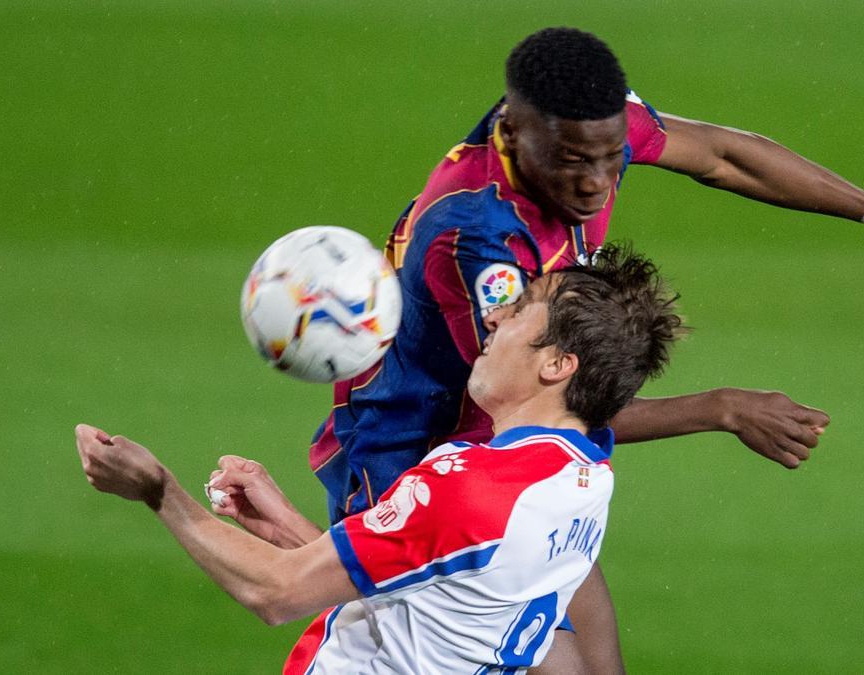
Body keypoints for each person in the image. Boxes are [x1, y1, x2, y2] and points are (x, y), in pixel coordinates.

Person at [235, 27, 864, 671]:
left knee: (592, 655)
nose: (598, 180)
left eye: (614, 155)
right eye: (576, 161)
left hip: (508, 463)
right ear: (514, 133)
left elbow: (722, 153)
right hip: (417, 460)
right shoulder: (482, 238)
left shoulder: (580, 117)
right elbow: (546, 398)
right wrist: (718, 407)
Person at [75, 244, 684, 673]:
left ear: (557, 365)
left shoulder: (473, 487)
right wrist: (293, 530)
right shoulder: (582, 473)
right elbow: (434, 602)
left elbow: (276, 594)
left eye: (521, 311)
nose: (494, 315)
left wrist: (158, 490)